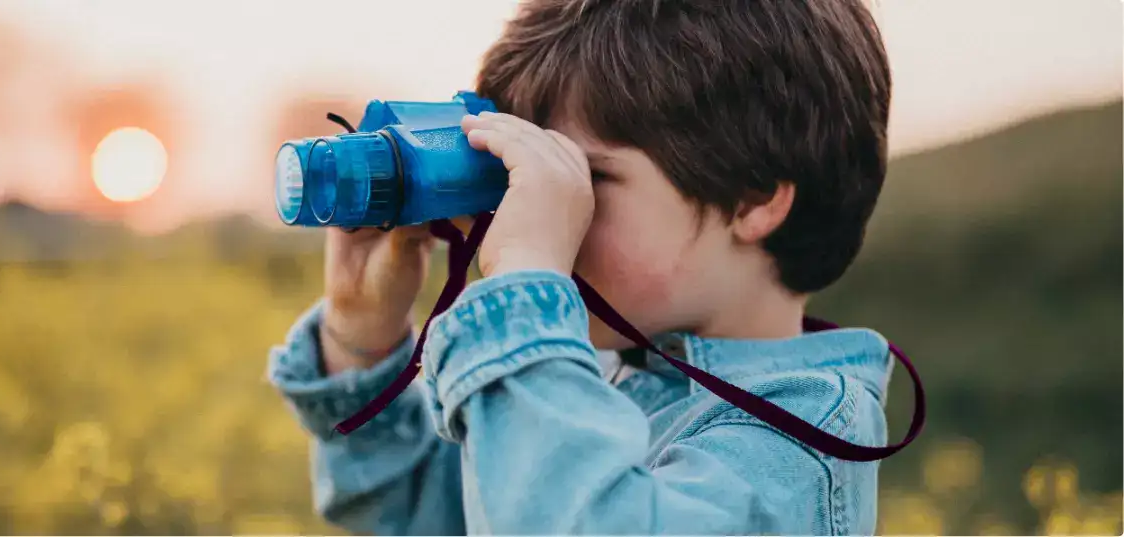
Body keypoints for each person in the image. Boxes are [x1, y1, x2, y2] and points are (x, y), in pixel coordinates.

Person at [266, 0, 896, 534]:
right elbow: (422, 518)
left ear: (753, 200)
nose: (546, 212)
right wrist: (360, 342)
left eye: (584, 178)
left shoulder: (800, 440)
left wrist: (524, 282)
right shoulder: (597, 373)